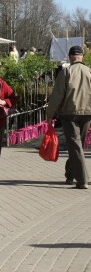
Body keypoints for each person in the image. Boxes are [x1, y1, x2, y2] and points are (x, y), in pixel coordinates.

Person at [46, 46, 91, 189]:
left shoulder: (66, 72)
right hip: (88, 113)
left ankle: (82, 180)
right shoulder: (90, 71)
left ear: (70, 57)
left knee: (75, 146)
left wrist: (49, 114)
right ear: (82, 57)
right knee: (78, 145)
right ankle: (71, 174)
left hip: (69, 113)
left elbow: (57, 96)